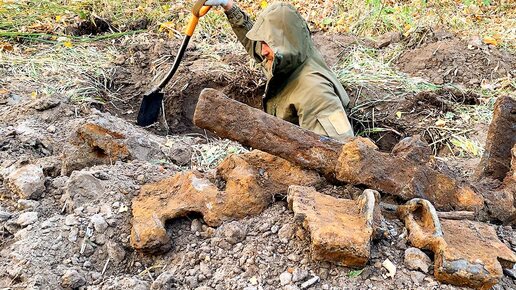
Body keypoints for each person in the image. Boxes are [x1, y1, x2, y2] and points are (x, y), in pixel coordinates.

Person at [205, 0, 354, 140]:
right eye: (262, 42)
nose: (262, 51)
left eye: (267, 43)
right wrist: (229, 7)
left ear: (283, 43)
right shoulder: (287, 56)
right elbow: (256, 46)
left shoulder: (315, 93)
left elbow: (339, 153)